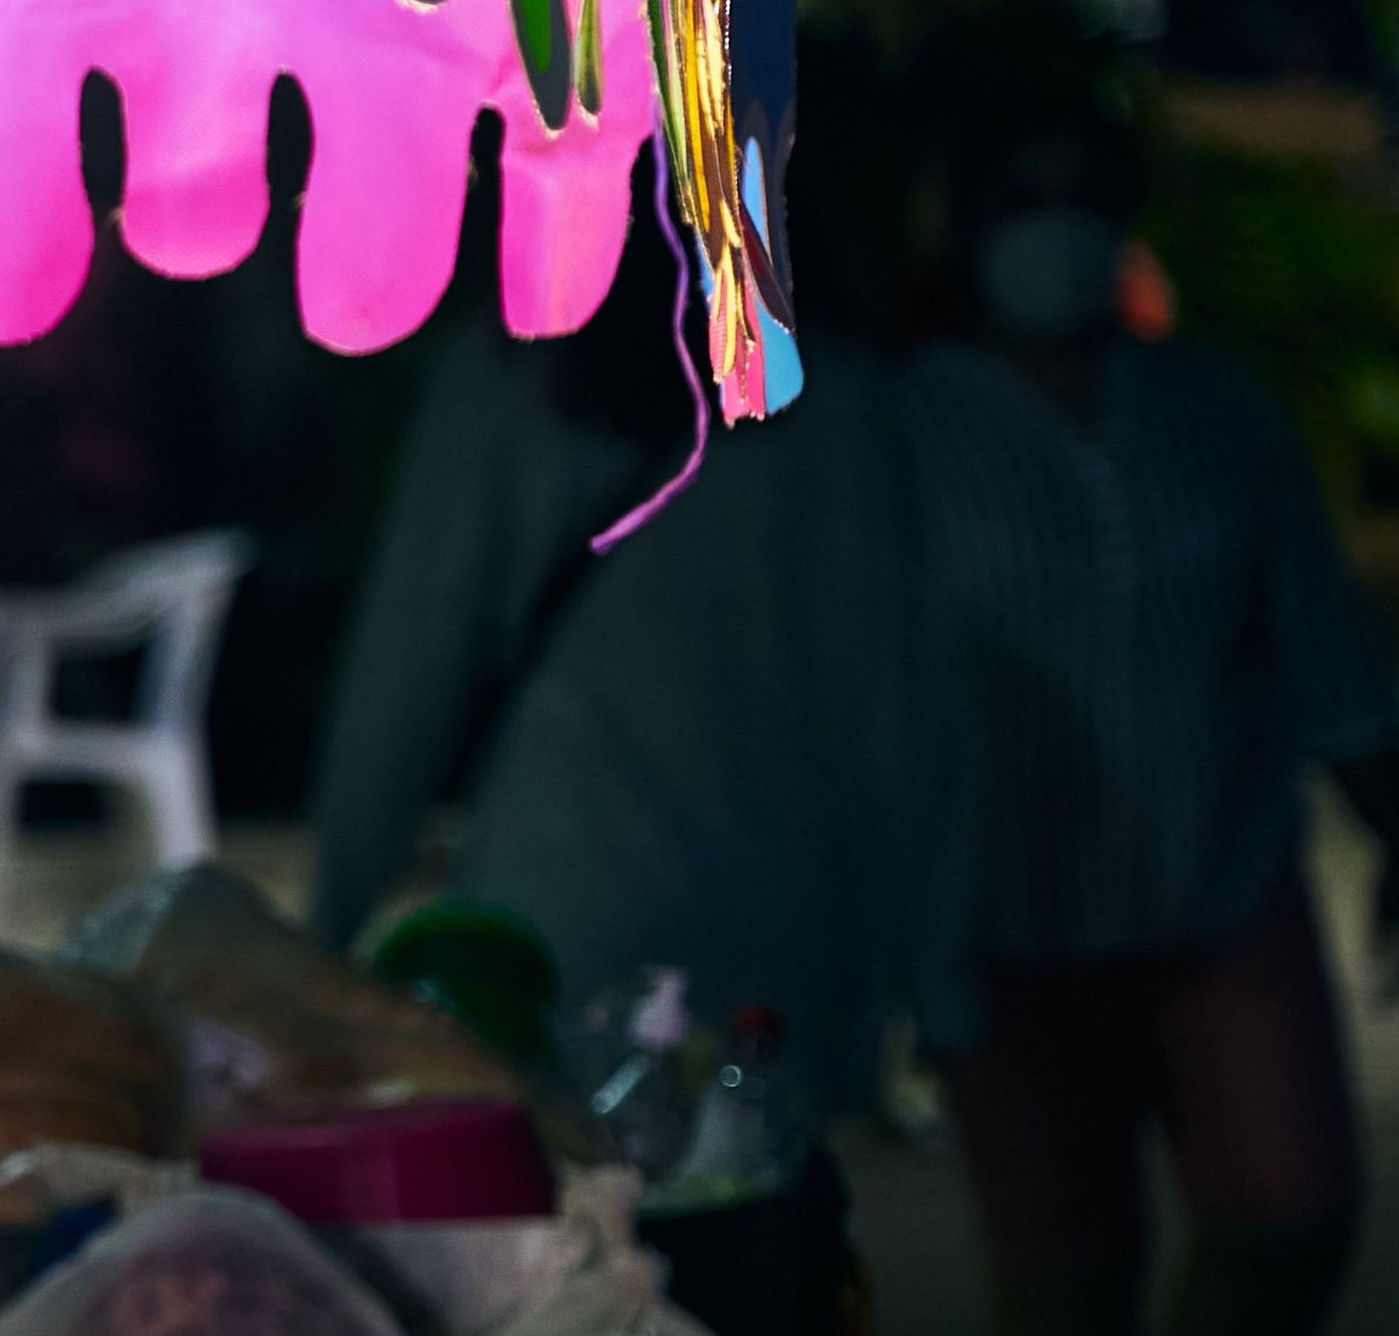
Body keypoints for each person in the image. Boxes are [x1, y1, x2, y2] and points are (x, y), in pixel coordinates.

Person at [895, 94, 1399, 1336]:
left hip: (1214, 882)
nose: (1051, 230)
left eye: (1079, 196)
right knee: (1060, 1282)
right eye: (1018, 197)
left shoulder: (1210, 413)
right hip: (1005, 910)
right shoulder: (896, 429)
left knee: (1287, 1212)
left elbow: (1314, 629)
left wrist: (1392, 823)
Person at [312, 263, 982, 1117]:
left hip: (562, 909)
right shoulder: (846, 393)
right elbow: (909, 720)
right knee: (762, 1227)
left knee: (581, 1228)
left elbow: (401, 683)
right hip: (789, 929)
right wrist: (934, 981)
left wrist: (330, 928)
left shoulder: (518, 376)